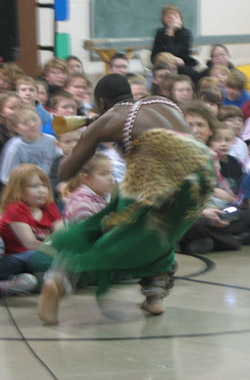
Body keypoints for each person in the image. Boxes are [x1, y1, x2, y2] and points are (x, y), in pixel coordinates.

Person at [37, 74, 214, 324]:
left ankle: (62, 279)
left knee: (117, 232)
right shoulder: (159, 101)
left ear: (100, 102)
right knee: (160, 232)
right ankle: (154, 295)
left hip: (158, 175)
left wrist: (78, 140)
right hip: (202, 171)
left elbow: (65, 171)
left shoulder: (107, 119)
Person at [0, 164, 63, 295]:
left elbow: (62, 235)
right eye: (34, 186)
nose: (42, 191)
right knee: (29, 257)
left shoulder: (49, 207)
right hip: (16, 256)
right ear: (18, 190)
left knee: (45, 264)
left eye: (44, 186)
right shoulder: (16, 209)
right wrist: (57, 254)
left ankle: (21, 283)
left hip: (40, 256)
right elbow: (30, 243)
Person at [0, 104, 63, 192]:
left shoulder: (51, 140)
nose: (32, 124)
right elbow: (8, 178)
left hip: (49, 186)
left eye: (34, 119)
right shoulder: (15, 147)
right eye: (25, 123)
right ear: (16, 129)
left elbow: (60, 161)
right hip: (23, 190)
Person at [63, 152, 114, 223]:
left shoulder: (108, 197)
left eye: (112, 173)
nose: (111, 178)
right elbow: (89, 232)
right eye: (103, 174)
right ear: (86, 178)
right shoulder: (81, 204)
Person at [218, 105, 249, 170]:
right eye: (231, 120)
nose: (237, 123)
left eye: (240, 120)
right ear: (220, 122)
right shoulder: (217, 142)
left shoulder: (242, 144)